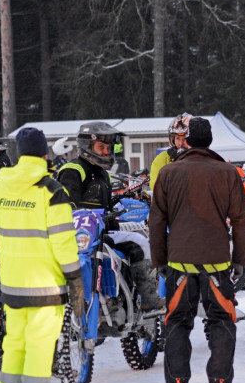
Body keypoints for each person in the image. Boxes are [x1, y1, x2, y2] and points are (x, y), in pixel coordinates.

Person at [0, 127, 83, 383]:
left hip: (13, 282)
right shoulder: (52, 191)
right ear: (45, 154)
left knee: (15, 341)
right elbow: (64, 241)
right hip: (45, 283)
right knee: (40, 342)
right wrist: (75, 277)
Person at [149, 116, 245, 383]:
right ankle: (219, 381)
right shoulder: (227, 173)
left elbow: (157, 219)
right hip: (217, 261)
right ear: (210, 141)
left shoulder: (169, 173)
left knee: (177, 320)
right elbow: (241, 219)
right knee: (221, 320)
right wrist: (242, 259)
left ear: (188, 141)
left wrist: (158, 260)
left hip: (179, 260)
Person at [56, 121, 164, 311]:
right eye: (101, 147)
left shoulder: (102, 174)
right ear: (87, 146)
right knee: (139, 241)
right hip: (80, 237)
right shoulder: (73, 170)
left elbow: (102, 205)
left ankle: (143, 297)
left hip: (104, 233)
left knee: (140, 240)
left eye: (108, 147)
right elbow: (67, 206)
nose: (106, 152)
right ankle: (148, 297)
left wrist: (120, 200)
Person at [150, 113, 192, 190]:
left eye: (185, 139)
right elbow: (155, 185)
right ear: (172, 139)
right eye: (178, 138)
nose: (181, 143)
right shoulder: (163, 159)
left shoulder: (199, 157)